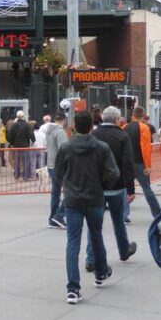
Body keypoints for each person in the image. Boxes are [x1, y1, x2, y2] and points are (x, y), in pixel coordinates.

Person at [55, 111, 119, 305]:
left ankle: (73, 288)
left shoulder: (66, 147)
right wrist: (101, 184)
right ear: (92, 126)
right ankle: (100, 273)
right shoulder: (101, 148)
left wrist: (68, 185)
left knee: (73, 242)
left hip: (73, 200)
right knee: (96, 236)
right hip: (94, 198)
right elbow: (113, 173)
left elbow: (58, 173)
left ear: (74, 126)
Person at [87, 106, 136, 270]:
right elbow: (127, 164)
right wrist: (130, 189)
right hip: (116, 186)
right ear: (117, 120)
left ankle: (91, 258)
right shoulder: (122, 136)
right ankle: (124, 250)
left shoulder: (93, 135)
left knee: (94, 225)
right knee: (118, 220)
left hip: (96, 187)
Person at [124, 107, 161, 219]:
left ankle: (124, 215)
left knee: (125, 190)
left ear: (133, 115)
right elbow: (145, 147)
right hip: (139, 163)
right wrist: (148, 166)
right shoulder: (144, 127)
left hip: (126, 164)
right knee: (147, 189)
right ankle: (157, 213)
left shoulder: (124, 127)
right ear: (143, 116)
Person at [44, 113, 69, 229]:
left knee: (55, 193)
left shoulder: (49, 130)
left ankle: (53, 218)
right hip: (59, 166)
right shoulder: (60, 132)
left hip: (51, 164)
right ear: (64, 120)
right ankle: (59, 216)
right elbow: (64, 150)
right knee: (70, 192)